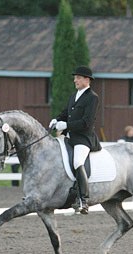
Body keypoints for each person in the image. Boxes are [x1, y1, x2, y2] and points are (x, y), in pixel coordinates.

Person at [49, 66, 102, 215]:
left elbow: (87, 122)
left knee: (78, 161)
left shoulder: (93, 97)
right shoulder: (74, 96)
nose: (75, 80)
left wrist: (66, 125)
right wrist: (57, 119)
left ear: (87, 79)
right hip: (69, 137)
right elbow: (66, 113)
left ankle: (83, 200)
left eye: (78, 77)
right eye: (75, 78)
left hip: (83, 138)